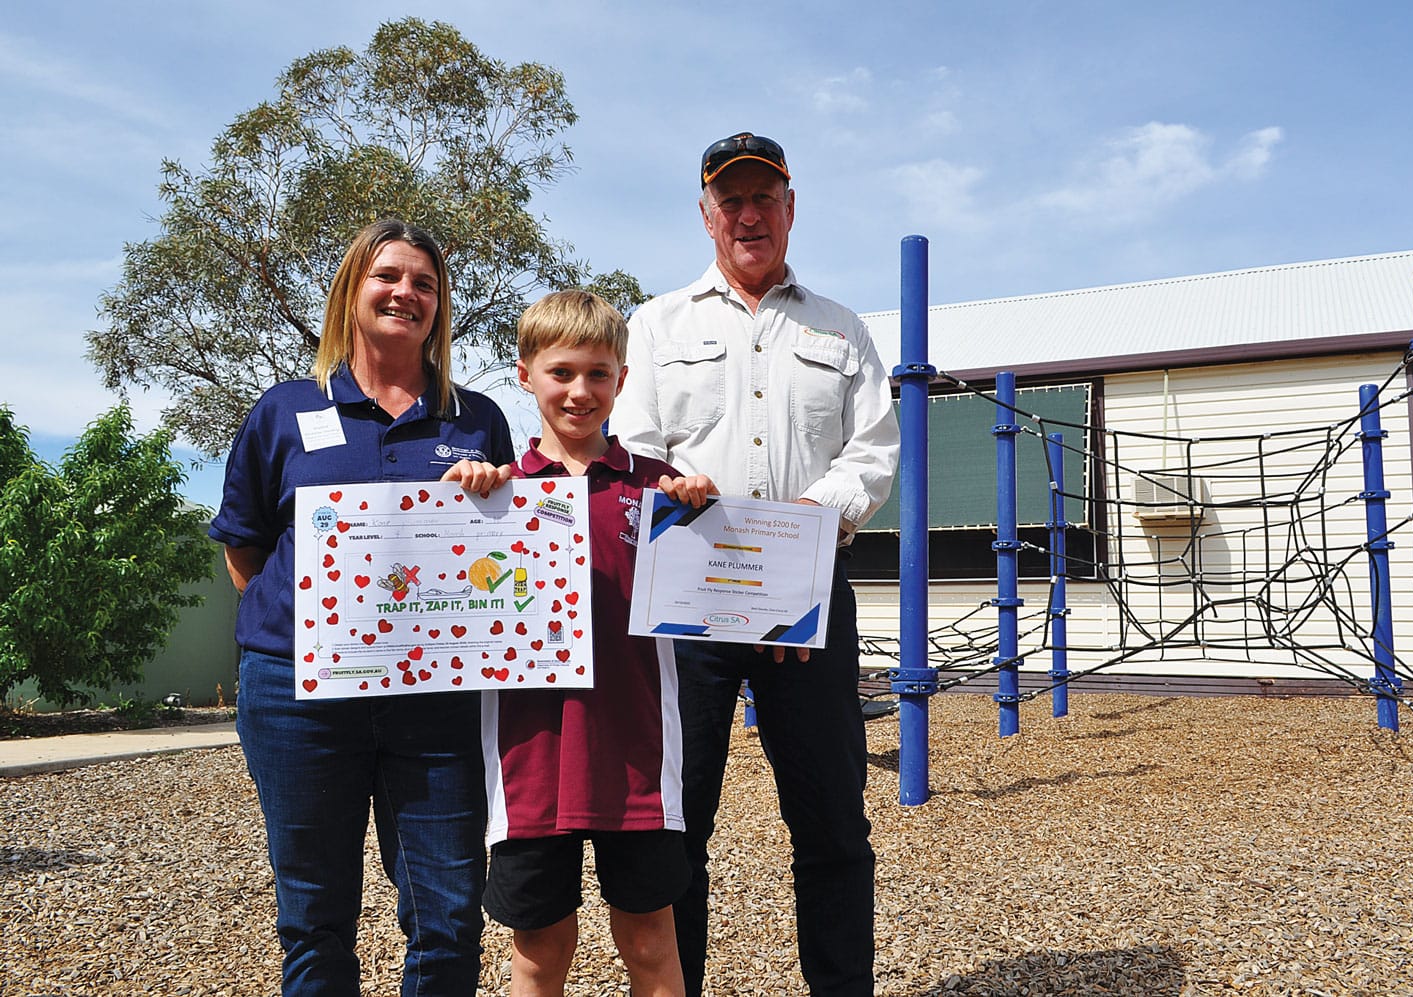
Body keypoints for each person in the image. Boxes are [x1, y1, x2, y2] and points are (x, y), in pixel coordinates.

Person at [609, 133, 901, 996]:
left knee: (833, 825)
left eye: (763, 197)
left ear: (791, 207)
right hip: (687, 604)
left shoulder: (841, 328)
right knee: (676, 826)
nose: (748, 214)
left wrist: (817, 520)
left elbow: (872, 453)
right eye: (729, 200)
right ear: (706, 216)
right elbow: (633, 447)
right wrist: (675, 483)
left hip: (805, 599)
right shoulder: (657, 325)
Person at [209, 218, 513, 996]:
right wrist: (316, 628)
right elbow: (245, 549)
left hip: (436, 700)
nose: (405, 292)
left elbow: (510, 551)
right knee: (314, 921)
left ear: (439, 307)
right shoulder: (282, 411)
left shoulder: (476, 420)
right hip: (299, 696)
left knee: (448, 918)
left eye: (424, 282)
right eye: (388, 276)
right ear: (353, 290)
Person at [479, 289, 716, 997]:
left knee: (649, 940)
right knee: (541, 949)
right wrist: (462, 500)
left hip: (638, 756)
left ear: (621, 378)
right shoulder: (492, 496)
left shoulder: (661, 494)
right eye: (561, 372)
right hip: (529, 761)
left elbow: (730, 589)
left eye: (598, 373)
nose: (579, 391)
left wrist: (704, 508)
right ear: (525, 374)